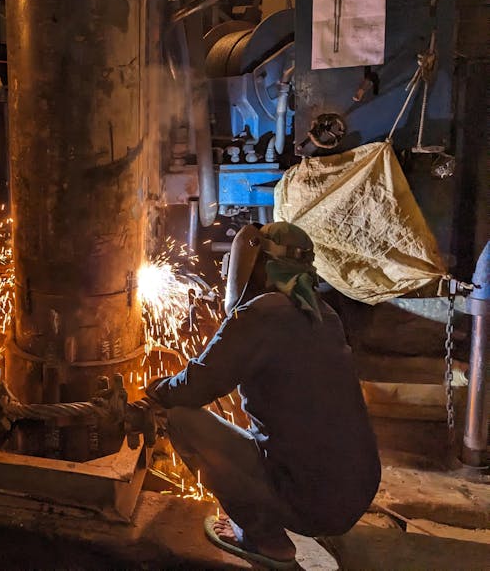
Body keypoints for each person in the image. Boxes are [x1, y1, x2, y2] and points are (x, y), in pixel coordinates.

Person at [132, 222, 380, 569]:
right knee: (263, 432)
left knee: (179, 417)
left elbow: (195, 387)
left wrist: (158, 388)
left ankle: (264, 538)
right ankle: (301, 512)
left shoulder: (260, 314)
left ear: (255, 264)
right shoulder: (325, 316)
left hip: (312, 503)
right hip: (357, 493)